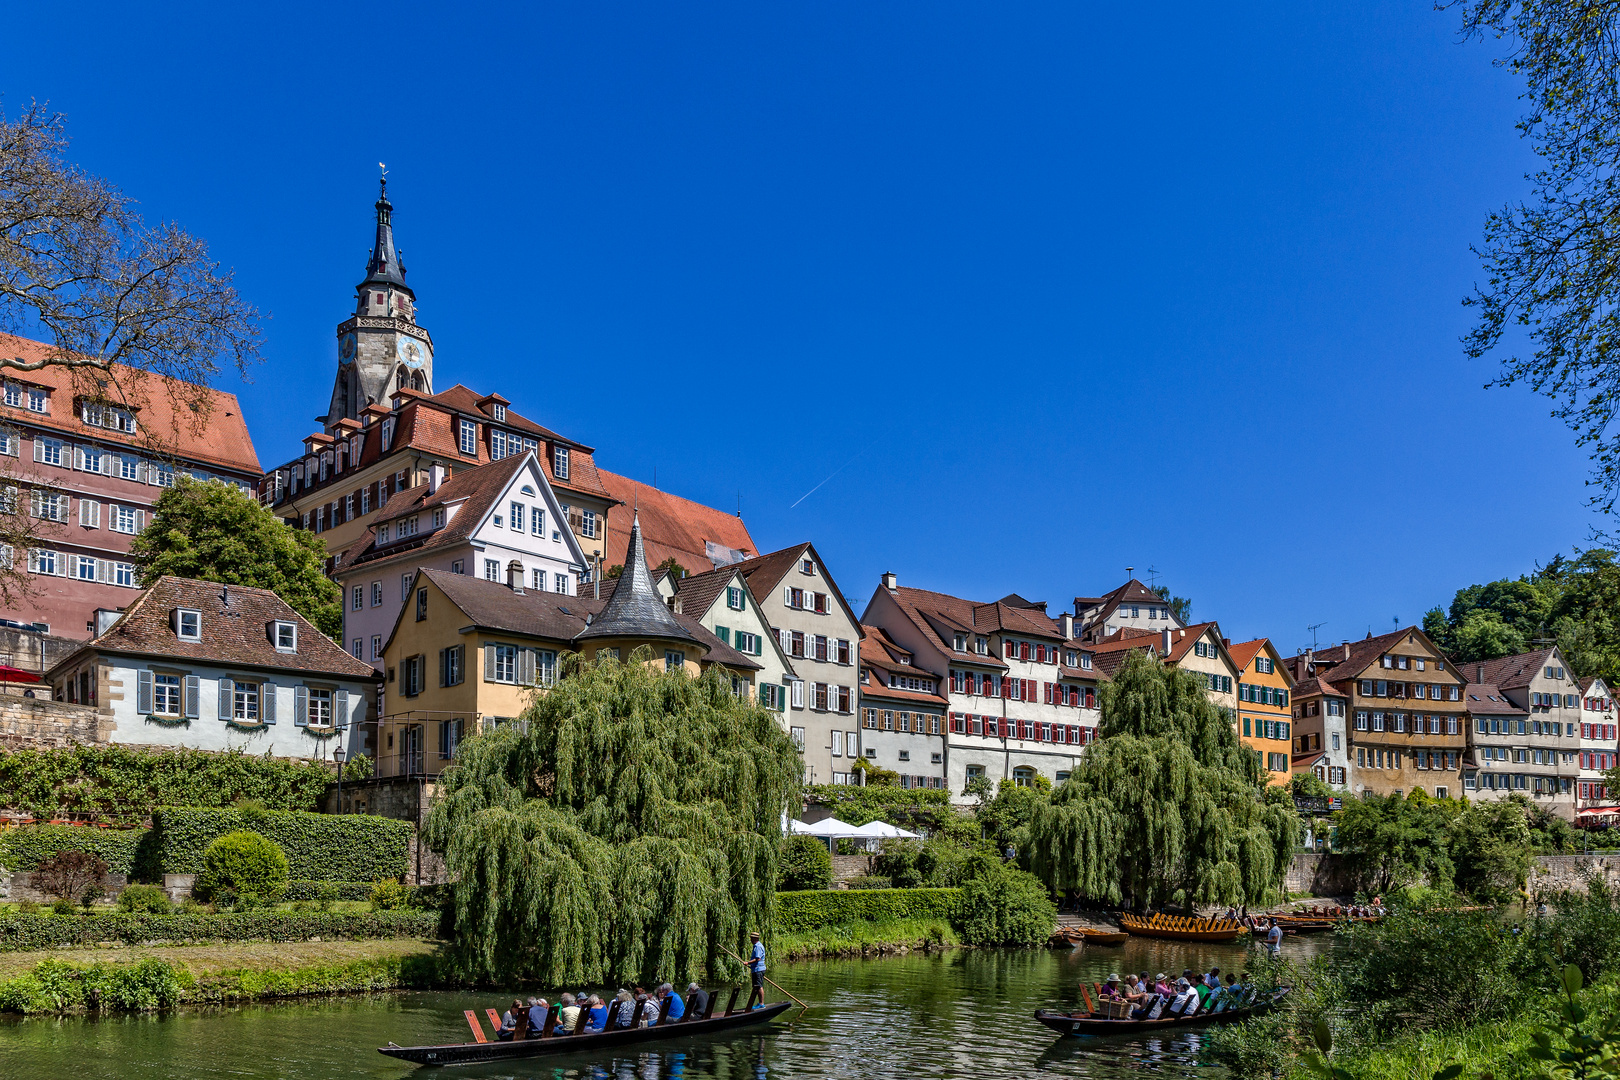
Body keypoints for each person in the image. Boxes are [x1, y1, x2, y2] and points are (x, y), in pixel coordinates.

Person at [746, 929, 768, 1010]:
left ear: (755, 938)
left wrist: (748, 963)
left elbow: (757, 958)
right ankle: (760, 1003)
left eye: (752, 938)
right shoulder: (757, 946)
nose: (751, 940)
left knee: (759, 986)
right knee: (757, 986)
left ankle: (761, 1004)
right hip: (757, 969)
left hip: (758, 969)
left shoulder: (758, 947)